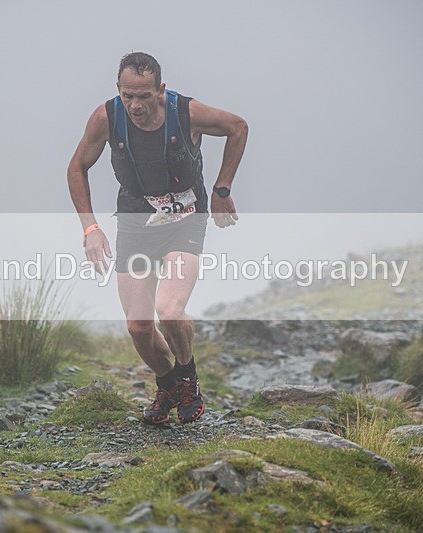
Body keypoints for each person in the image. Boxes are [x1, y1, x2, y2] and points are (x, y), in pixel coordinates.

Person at [67, 52, 248, 425]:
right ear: (118, 89)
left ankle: (188, 378)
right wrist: (90, 228)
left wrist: (223, 188)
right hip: (136, 224)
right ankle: (167, 386)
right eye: (128, 96)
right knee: (138, 326)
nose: (135, 106)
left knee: (169, 310)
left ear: (160, 90)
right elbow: (76, 167)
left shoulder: (186, 113)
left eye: (144, 96)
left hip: (185, 220)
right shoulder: (106, 118)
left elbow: (238, 127)